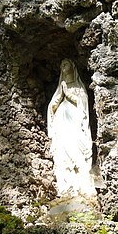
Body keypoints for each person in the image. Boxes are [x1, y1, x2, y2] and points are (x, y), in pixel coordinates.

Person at [47, 59, 95, 197]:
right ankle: (66, 186)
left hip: (75, 125)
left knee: (77, 150)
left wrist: (69, 94)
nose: (62, 66)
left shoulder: (78, 87)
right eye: (61, 64)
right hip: (61, 126)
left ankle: (83, 186)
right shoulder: (59, 88)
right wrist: (60, 97)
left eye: (66, 63)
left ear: (73, 66)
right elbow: (51, 108)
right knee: (62, 153)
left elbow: (83, 103)